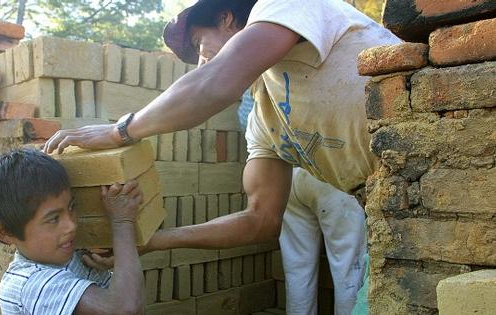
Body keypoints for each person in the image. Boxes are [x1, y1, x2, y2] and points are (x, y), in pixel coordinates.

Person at [43, 0, 400, 313]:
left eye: (200, 43)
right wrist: (150, 242)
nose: (201, 62)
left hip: (437, 156)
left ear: (227, 18)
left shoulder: (289, 4)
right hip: (398, 202)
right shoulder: (266, 117)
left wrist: (120, 130)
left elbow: (213, 82)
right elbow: (261, 219)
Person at [0, 148, 145, 315]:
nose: (71, 225)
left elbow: (137, 248)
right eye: (53, 219)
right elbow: (125, 309)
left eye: (72, 207)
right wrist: (122, 222)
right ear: (5, 231)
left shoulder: (64, 253)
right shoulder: (30, 284)